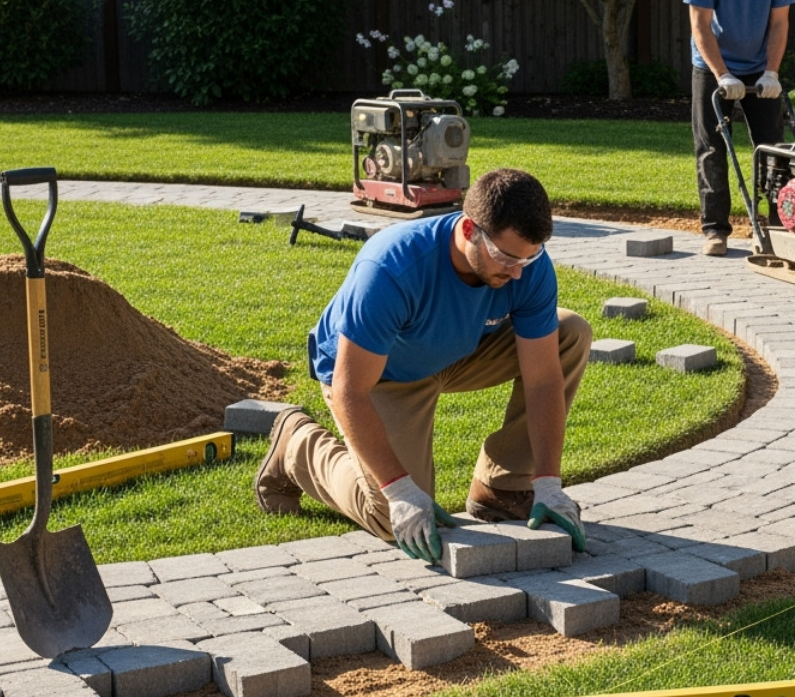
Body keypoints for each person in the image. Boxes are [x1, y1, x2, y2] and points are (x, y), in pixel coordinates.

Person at [253, 169, 592, 564]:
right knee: (390, 515)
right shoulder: (391, 268)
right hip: (381, 375)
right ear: (468, 229)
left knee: (569, 332)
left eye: (528, 257)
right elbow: (350, 390)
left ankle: (503, 485)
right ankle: (297, 446)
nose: (518, 271)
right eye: (505, 257)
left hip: (458, 351)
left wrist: (548, 482)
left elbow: (543, 379)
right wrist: (400, 491)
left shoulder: (526, 265)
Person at [685, 0, 795, 256]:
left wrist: (771, 72)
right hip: (713, 66)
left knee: (773, 150)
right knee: (712, 149)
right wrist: (722, 74)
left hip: (759, 67)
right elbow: (700, 26)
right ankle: (715, 230)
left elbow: (780, 23)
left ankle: (776, 225)